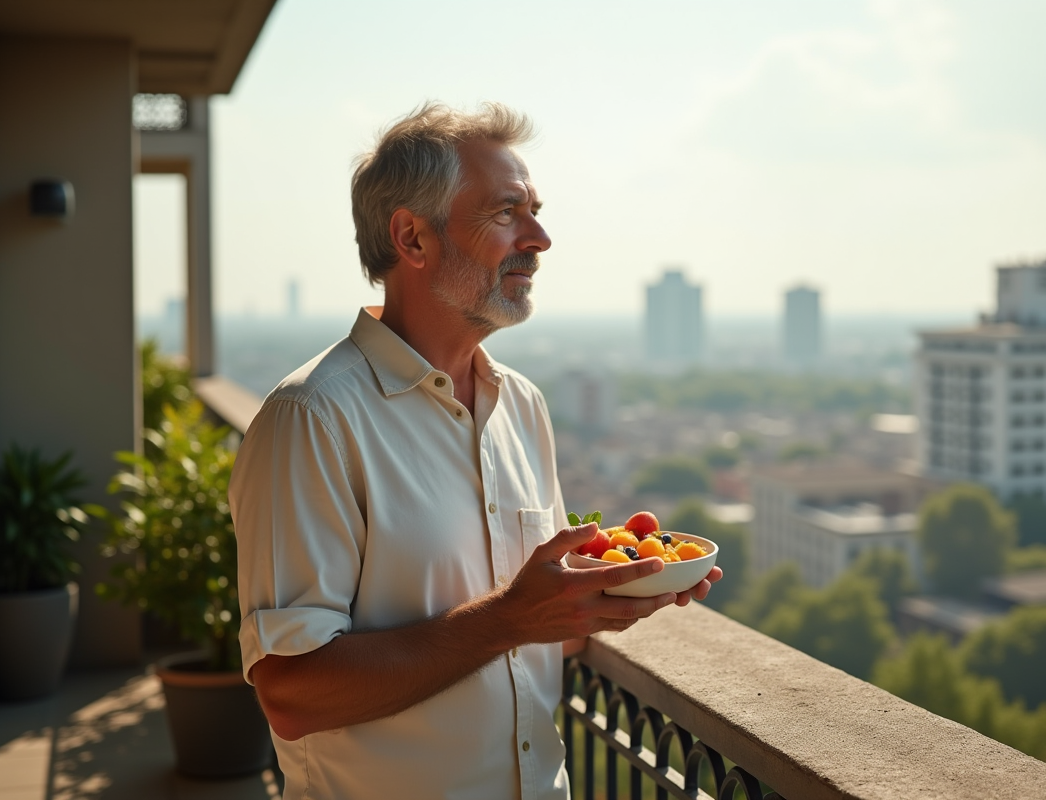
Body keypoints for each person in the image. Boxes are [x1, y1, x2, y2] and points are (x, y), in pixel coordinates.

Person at [230, 102, 721, 800]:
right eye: (506, 213)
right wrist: (509, 619)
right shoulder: (311, 420)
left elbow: (537, 633)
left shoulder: (522, 406)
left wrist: (610, 597)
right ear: (413, 237)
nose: (541, 238)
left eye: (537, 210)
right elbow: (293, 693)